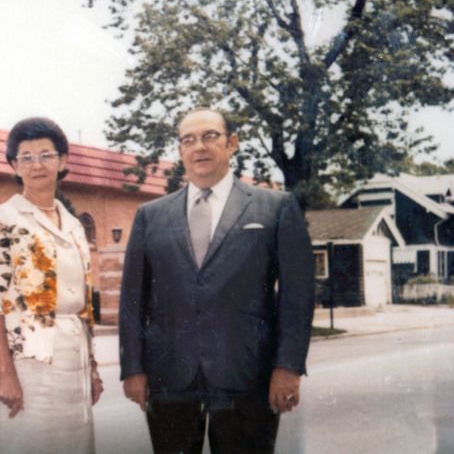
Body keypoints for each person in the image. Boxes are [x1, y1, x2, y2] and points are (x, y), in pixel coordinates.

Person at [119, 107, 315, 453]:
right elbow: (132, 300)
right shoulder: (150, 216)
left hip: (247, 375)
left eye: (210, 136)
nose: (199, 147)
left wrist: (288, 368)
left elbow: (297, 298)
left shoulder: (275, 208)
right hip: (170, 377)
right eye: (188, 140)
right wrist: (132, 368)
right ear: (180, 150)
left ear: (232, 143)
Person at [0, 117, 104, 454]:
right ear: (14, 166)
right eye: (26, 157)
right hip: (27, 362)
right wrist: (6, 373)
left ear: (62, 162)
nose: (37, 165)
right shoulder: (3, 219)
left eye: (46, 155)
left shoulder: (75, 225)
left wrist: (91, 368)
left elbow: (84, 303)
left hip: (73, 357)